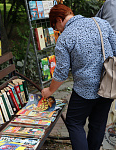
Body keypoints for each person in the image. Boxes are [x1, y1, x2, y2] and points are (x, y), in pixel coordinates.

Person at [41, 4, 116, 150]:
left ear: (59, 19)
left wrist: (49, 91)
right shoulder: (100, 23)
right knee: (98, 124)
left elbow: (61, 73)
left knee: (74, 122)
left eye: (55, 27)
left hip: (84, 90)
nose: (57, 30)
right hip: (107, 84)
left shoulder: (64, 39)